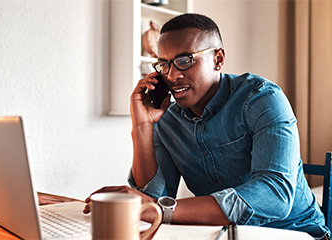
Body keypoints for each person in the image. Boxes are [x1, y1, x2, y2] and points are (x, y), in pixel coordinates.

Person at [84, 13, 330, 239]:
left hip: (295, 233)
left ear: (218, 59)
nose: (172, 76)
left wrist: (160, 210)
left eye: (184, 61)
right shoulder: (167, 117)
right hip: (220, 235)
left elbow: (275, 195)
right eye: (164, 64)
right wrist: (142, 127)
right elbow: (151, 201)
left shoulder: (261, 99)